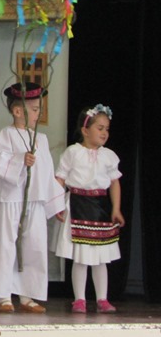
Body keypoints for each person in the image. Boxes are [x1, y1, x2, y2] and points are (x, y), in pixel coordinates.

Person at [0, 82, 65, 313]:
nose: (38, 113)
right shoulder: (6, 135)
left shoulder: (41, 139)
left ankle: (27, 295)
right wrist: (20, 160)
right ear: (17, 111)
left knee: (34, 245)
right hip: (11, 200)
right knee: (5, 246)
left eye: (39, 109)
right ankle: (3, 295)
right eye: (34, 109)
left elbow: (46, 172)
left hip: (35, 201)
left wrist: (56, 203)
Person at [53, 104, 124, 313]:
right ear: (85, 130)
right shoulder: (73, 152)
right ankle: (80, 299)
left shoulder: (108, 155)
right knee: (81, 257)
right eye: (99, 128)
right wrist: (57, 204)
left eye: (107, 129)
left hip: (100, 208)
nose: (104, 133)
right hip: (78, 205)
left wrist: (116, 209)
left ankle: (102, 299)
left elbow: (114, 183)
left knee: (101, 258)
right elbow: (60, 178)